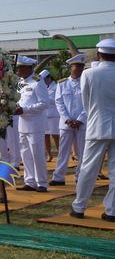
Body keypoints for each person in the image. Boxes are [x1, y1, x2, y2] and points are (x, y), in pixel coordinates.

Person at [70, 39, 115, 220]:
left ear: (98, 55)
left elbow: (86, 103)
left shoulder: (89, 74)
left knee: (88, 169)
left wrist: (95, 117)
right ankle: (112, 210)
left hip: (97, 125)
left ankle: (79, 207)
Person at [14, 56, 52, 192]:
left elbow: (44, 103)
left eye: (21, 68)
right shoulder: (21, 83)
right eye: (18, 68)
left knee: (37, 155)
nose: (18, 71)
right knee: (25, 155)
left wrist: (25, 109)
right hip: (22, 124)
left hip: (35, 125)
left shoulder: (37, 82)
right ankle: (30, 181)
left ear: (29, 68)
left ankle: (42, 182)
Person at [52, 54, 87, 186]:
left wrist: (80, 119)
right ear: (70, 67)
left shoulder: (87, 83)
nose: (80, 68)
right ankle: (58, 177)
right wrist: (66, 119)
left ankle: (80, 176)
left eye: (81, 66)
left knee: (82, 151)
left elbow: (89, 103)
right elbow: (59, 102)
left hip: (82, 123)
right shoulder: (62, 84)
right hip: (66, 124)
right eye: (77, 66)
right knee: (63, 151)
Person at [40, 70, 60, 162]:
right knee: (45, 136)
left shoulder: (56, 86)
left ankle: (60, 154)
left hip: (53, 114)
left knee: (56, 136)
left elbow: (57, 100)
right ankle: (49, 155)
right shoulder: (43, 87)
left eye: (43, 79)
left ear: (48, 77)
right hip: (44, 114)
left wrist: (47, 99)